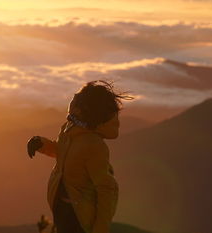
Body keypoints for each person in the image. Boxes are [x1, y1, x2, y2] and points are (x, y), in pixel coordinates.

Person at [27, 80, 133, 233]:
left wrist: (100, 228)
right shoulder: (70, 130)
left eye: (78, 99)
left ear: (85, 110)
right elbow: (63, 152)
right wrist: (41, 144)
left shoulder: (94, 146)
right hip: (62, 209)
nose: (74, 98)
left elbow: (107, 189)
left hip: (78, 218)